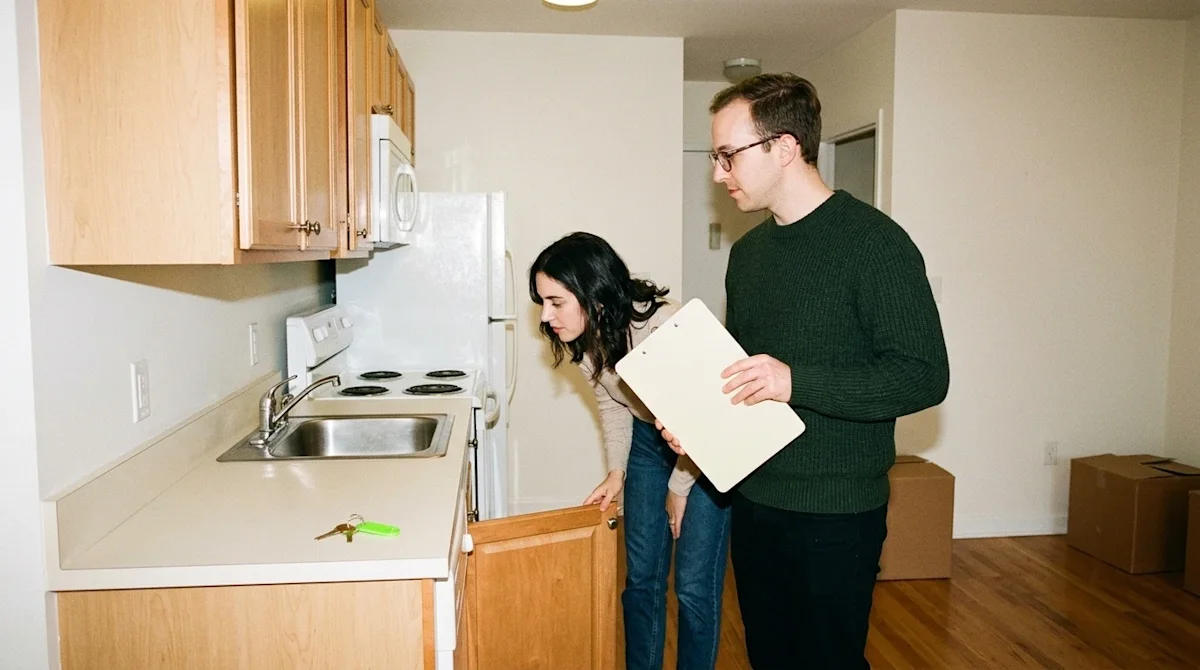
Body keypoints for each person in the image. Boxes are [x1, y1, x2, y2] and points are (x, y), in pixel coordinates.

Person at [657, 74, 950, 669]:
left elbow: (924, 375)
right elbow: (743, 379)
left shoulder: (875, 244)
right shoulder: (749, 255)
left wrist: (797, 381)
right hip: (754, 501)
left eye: (728, 155)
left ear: (785, 147)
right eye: (716, 157)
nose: (718, 174)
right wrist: (698, 432)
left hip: (837, 512)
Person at [530, 232, 732, 670]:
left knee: (694, 588)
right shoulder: (586, 336)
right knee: (641, 580)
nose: (546, 316)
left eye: (556, 302)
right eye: (543, 302)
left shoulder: (664, 327)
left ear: (593, 294)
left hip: (705, 451)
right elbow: (614, 402)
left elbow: (702, 422)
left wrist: (679, 486)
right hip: (648, 442)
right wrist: (616, 472)